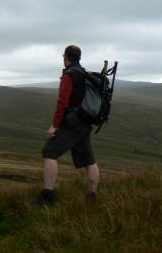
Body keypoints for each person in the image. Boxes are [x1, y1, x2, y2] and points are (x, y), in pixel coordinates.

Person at [36, 45, 99, 205]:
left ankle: (48, 196)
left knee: (49, 153)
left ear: (65, 57)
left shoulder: (69, 75)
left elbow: (62, 103)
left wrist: (54, 126)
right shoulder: (83, 73)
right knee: (89, 160)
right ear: (79, 57)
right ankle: (92, 196)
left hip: (72, 124)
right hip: (85, 122)